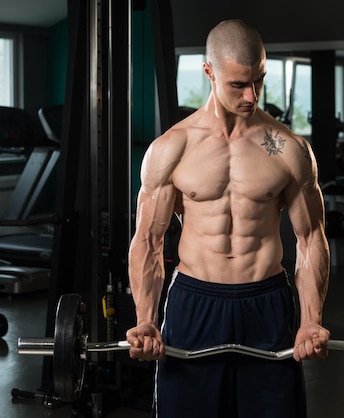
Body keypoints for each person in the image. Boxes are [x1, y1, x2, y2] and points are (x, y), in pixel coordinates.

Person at [126, 19, 331, 418]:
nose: (252, 95)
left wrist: (311, 320)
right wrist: (146, 320)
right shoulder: (173, 148)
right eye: (238, 84)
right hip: (194, 302)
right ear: (209, 72)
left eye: (259, 80)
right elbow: (149, 241)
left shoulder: (289, 149)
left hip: (267, 303)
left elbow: (311, 239)